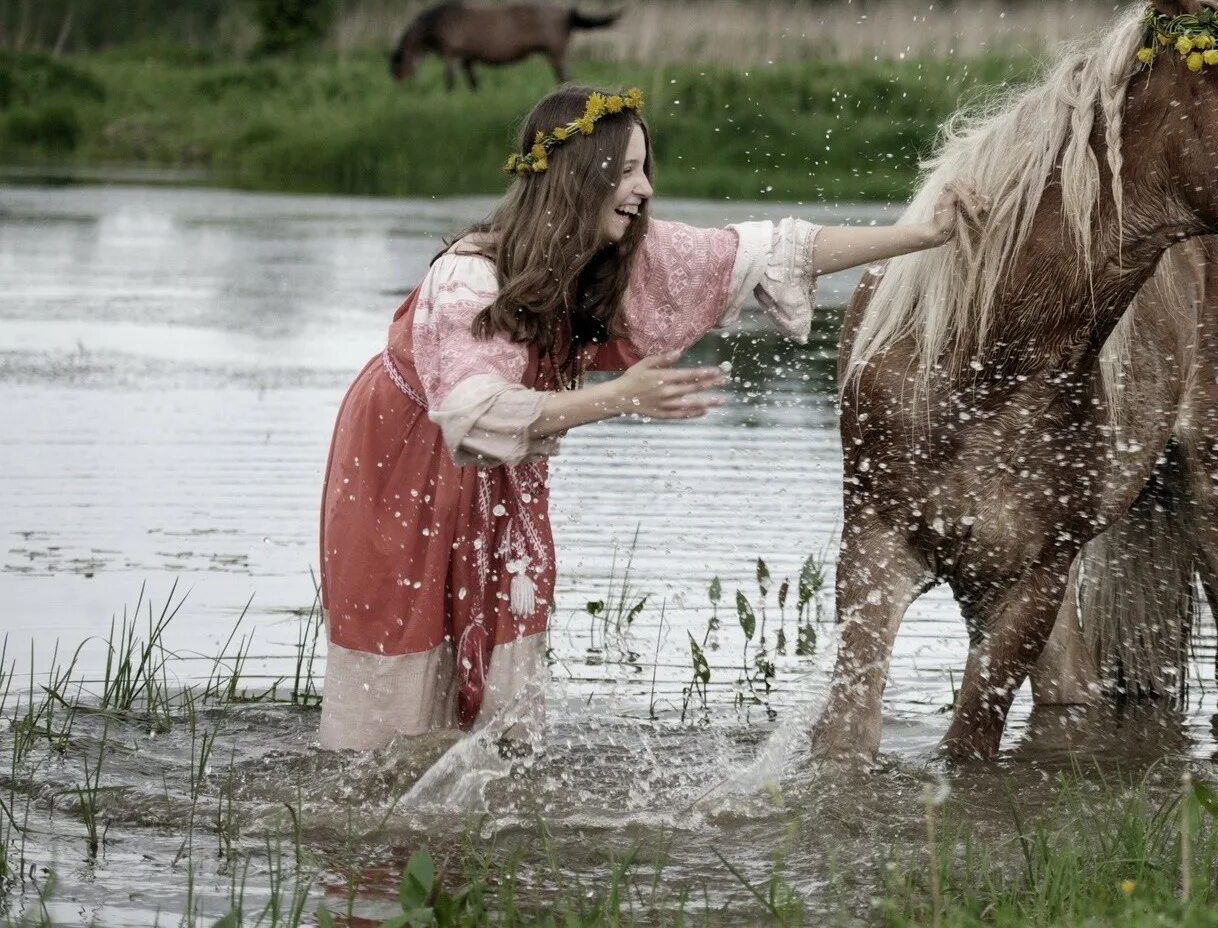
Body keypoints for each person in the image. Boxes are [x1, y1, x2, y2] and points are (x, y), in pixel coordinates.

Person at [316, 84, 964, 749]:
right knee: (401, 649)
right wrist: (621, 397)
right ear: (577, 178)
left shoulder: (622, 254)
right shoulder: (469, 277)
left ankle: (483, 778)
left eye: (645, 168)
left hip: (508, 457)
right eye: (625, 171)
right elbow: (472, 418)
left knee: (507, 647)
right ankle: (377, 794)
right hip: (405, 453)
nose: (644, 187)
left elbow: (773, 249)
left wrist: (923, 235)